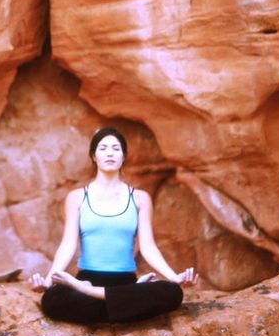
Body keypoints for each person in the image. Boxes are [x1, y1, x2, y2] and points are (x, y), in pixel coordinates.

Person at [30, 126, 196, 324]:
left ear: (123, 156)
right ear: (93, 156)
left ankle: (100, 296)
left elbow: (148, 246)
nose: (110, 153)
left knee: (172, 293)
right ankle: (120, 304)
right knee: (52, 300)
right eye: (103, 148)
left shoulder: (140, 198)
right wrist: (48, 281)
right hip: (87, 278)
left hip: (124, 281)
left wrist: (173, 277)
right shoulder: (77, 197)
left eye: (116, 149)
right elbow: (68, 244)